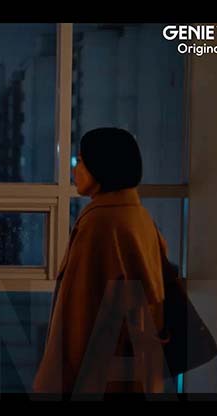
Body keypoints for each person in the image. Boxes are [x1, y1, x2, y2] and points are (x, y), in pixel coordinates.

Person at [34, 128, 171, 394]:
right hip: (138, 369)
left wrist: (59, 381)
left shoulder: (100, 223)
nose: (75, 169)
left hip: (101, 376)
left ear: (101, 166)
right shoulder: (139, 217)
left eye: (81, 161)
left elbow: (80, 313)